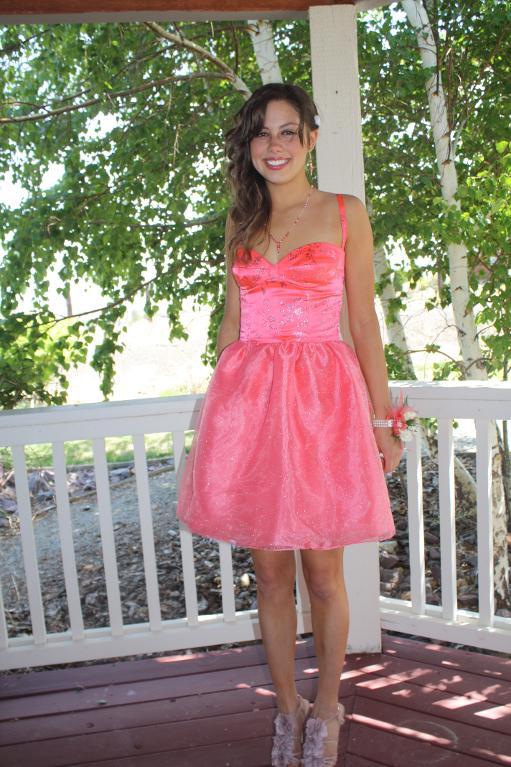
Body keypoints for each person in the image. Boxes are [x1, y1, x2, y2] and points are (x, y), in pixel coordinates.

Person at [176, 82, 406, 767]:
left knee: (324, 575)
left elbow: (362, 322)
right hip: (249, 410)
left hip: (322, 410)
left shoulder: (343, 212)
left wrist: (381, 418)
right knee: (270, 575)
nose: (272, 146)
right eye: (260, 134)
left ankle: (327, 707)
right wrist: (220, 415)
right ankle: (287, 708)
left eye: (286, 131)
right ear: (248, 147)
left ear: (309, 138)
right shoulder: (239, 221)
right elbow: (230, 321)